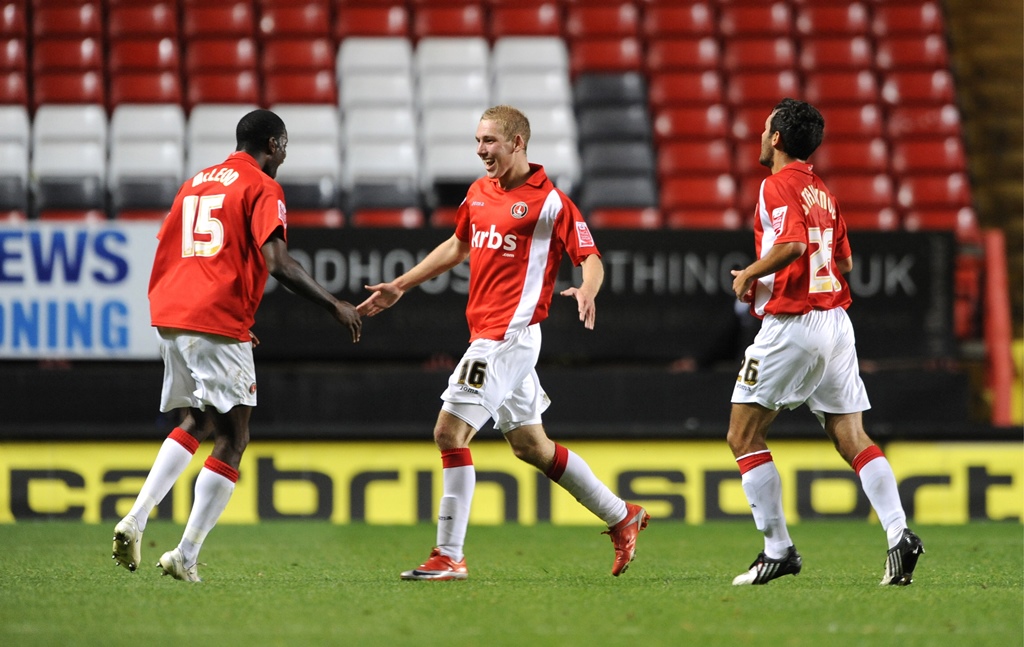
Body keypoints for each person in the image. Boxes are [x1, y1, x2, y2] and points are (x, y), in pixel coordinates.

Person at [358, 105, 649, 580]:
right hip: (490, 334)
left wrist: (587, 289)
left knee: (449, 433)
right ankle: (622, 516)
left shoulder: (551, 202)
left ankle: (449, 555)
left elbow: (590, 257)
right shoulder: (478, 192)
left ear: (517, 143)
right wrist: (401, 286)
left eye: (489, 141)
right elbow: (457, 246)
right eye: (478, 141)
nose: (480, 151)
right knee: (532, 445)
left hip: (507, 338)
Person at [111, 109, 362, 582]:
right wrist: (334, 305)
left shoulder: (197, 181)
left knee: (199, 418)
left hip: (172, 316)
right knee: (234, 437)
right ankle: (184, 555)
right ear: (273, 143)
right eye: (283, 147)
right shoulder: (262, 186)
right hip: (213, 319)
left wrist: (232, 314)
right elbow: (279, 263)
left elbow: (175, 246)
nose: (284, 157)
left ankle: (137, 517)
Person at [727, 98, 924, 586]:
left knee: (743, 435)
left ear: (776, 139)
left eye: (765, 126)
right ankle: (900, 536)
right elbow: (846, 264)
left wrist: (750, 273)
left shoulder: (777, 185)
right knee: (851, 437)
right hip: (835, 321)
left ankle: (779, 550)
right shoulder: (822, 192)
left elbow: (792, 244)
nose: (759, 133)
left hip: (794, 325)